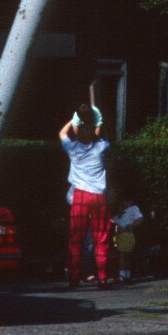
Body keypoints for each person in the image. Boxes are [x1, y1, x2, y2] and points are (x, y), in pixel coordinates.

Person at [59, 106, 112, 287]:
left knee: (76, 239)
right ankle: (103, 278)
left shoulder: (73, 149)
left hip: (80, 196)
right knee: (101, 238)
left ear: (78, 130)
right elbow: (104, 135)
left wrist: (74, 120)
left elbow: (62, 133)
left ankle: (74, 277)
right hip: (98, 196)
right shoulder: (101, 148)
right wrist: (99, 121)